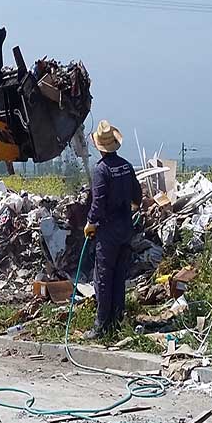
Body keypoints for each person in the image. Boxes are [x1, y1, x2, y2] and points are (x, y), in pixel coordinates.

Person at [83, 120, 142, 339]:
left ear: (98, 146)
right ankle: (117, 322)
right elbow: (137, 196)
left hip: (107, 232)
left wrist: (90, 223)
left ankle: (100, 327)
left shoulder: (101, 170)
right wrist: (129, 209)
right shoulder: (126, 166)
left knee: (103, 278)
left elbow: (97, 203)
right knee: (119, 276)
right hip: (126, 228)